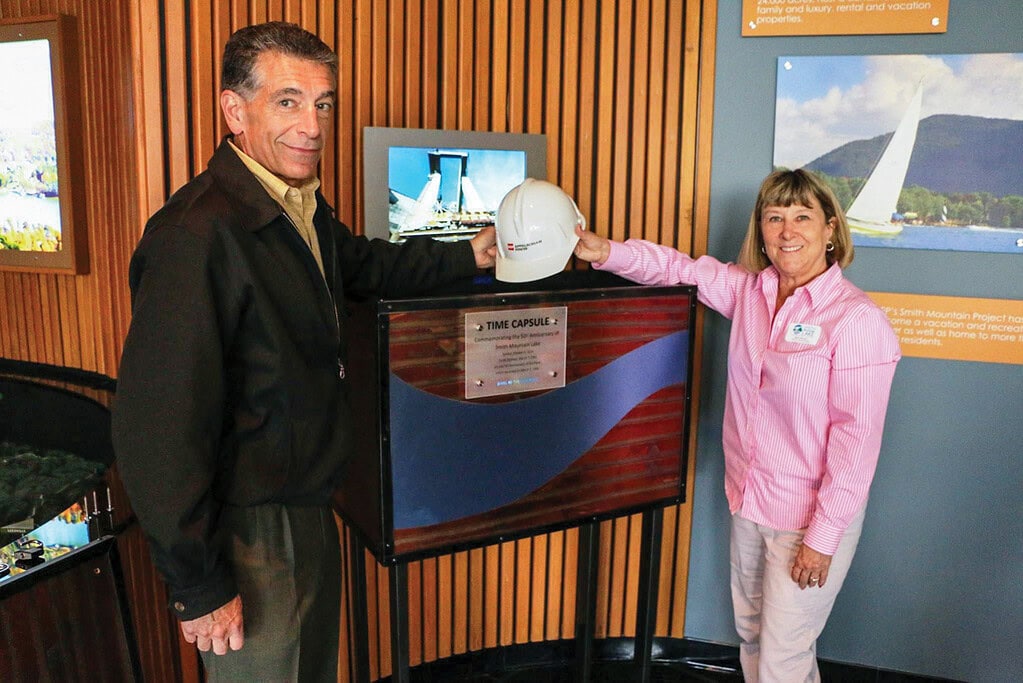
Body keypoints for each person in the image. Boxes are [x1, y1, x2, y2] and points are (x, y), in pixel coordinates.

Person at [111, 21, 495, 681]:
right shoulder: (195, 235)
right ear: (235, 111)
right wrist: (198, 584)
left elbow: (364, 265)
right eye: (288, 101)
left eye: (322, 103)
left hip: (308, 507)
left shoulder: (296, 207)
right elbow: (157, 429)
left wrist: (470, 254)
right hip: (248, 533)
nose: (312, 124)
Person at [574, 169, 900, 682]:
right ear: (761, 229)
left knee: (782, 659)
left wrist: (823, 537)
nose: (787, 231)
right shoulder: (750, 293)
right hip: (748, 501)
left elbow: (856, 444)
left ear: (832, 229)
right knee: (753, 640)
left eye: (802, 217)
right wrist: (605, 252)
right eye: (775, 217)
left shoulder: (858, 321)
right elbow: (676, 268)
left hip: (807, 519)